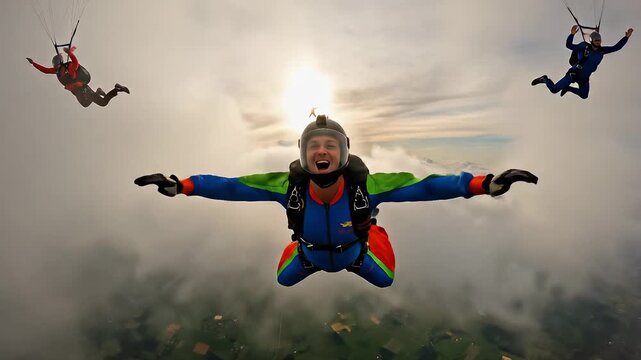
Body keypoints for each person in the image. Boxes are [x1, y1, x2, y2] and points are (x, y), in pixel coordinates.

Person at [135, 115, 538, 288]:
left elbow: (428, 186)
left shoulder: (370, 186)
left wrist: (484, 183)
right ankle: (305, 245)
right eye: (315, 145)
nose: (322, 150)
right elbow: (231, 186)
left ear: (345, 153)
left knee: (386, 280)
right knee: (282, 280)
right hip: (310, 254)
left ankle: (372, 231)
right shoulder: (286, 187)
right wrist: (182, 185)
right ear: (303, 154)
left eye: (331, 145)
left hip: (356, 254)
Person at [531, 25, 633, 99]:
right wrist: (571, 34)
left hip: (584, 78)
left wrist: (626, 37)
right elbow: (569, 45)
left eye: (599, 40)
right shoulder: (584, 46)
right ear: (592, 40)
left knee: (584, 95)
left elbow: (617, 47)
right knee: (554, 90)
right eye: (596, 40)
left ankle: (568, 88)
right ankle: (544, 79)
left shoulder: (602, 51)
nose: (598, 42)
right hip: (574, 74)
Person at [27, 47, 129, 107]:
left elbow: (76, 62)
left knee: (102, 103)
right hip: (77, 92)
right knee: (85, 104)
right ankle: (100, 91)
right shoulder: (57, 71)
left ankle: (116, 88)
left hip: (83, 89)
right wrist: (33, 63)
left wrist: (70, 53)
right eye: (54, 64)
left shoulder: (69, 67)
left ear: (60, 62)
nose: (55, 65)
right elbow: (45, 70)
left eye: (56, 63)